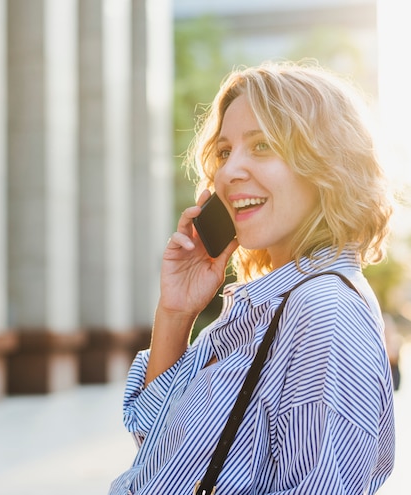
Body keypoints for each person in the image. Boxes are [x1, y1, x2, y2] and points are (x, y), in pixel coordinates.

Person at [109, 61, 395, 495]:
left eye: (261, 146)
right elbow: (156, 443)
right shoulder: (266, 307)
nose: (227, 173)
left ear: (327, 165)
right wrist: (176, 311)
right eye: (224, 152)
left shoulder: (322, 311)